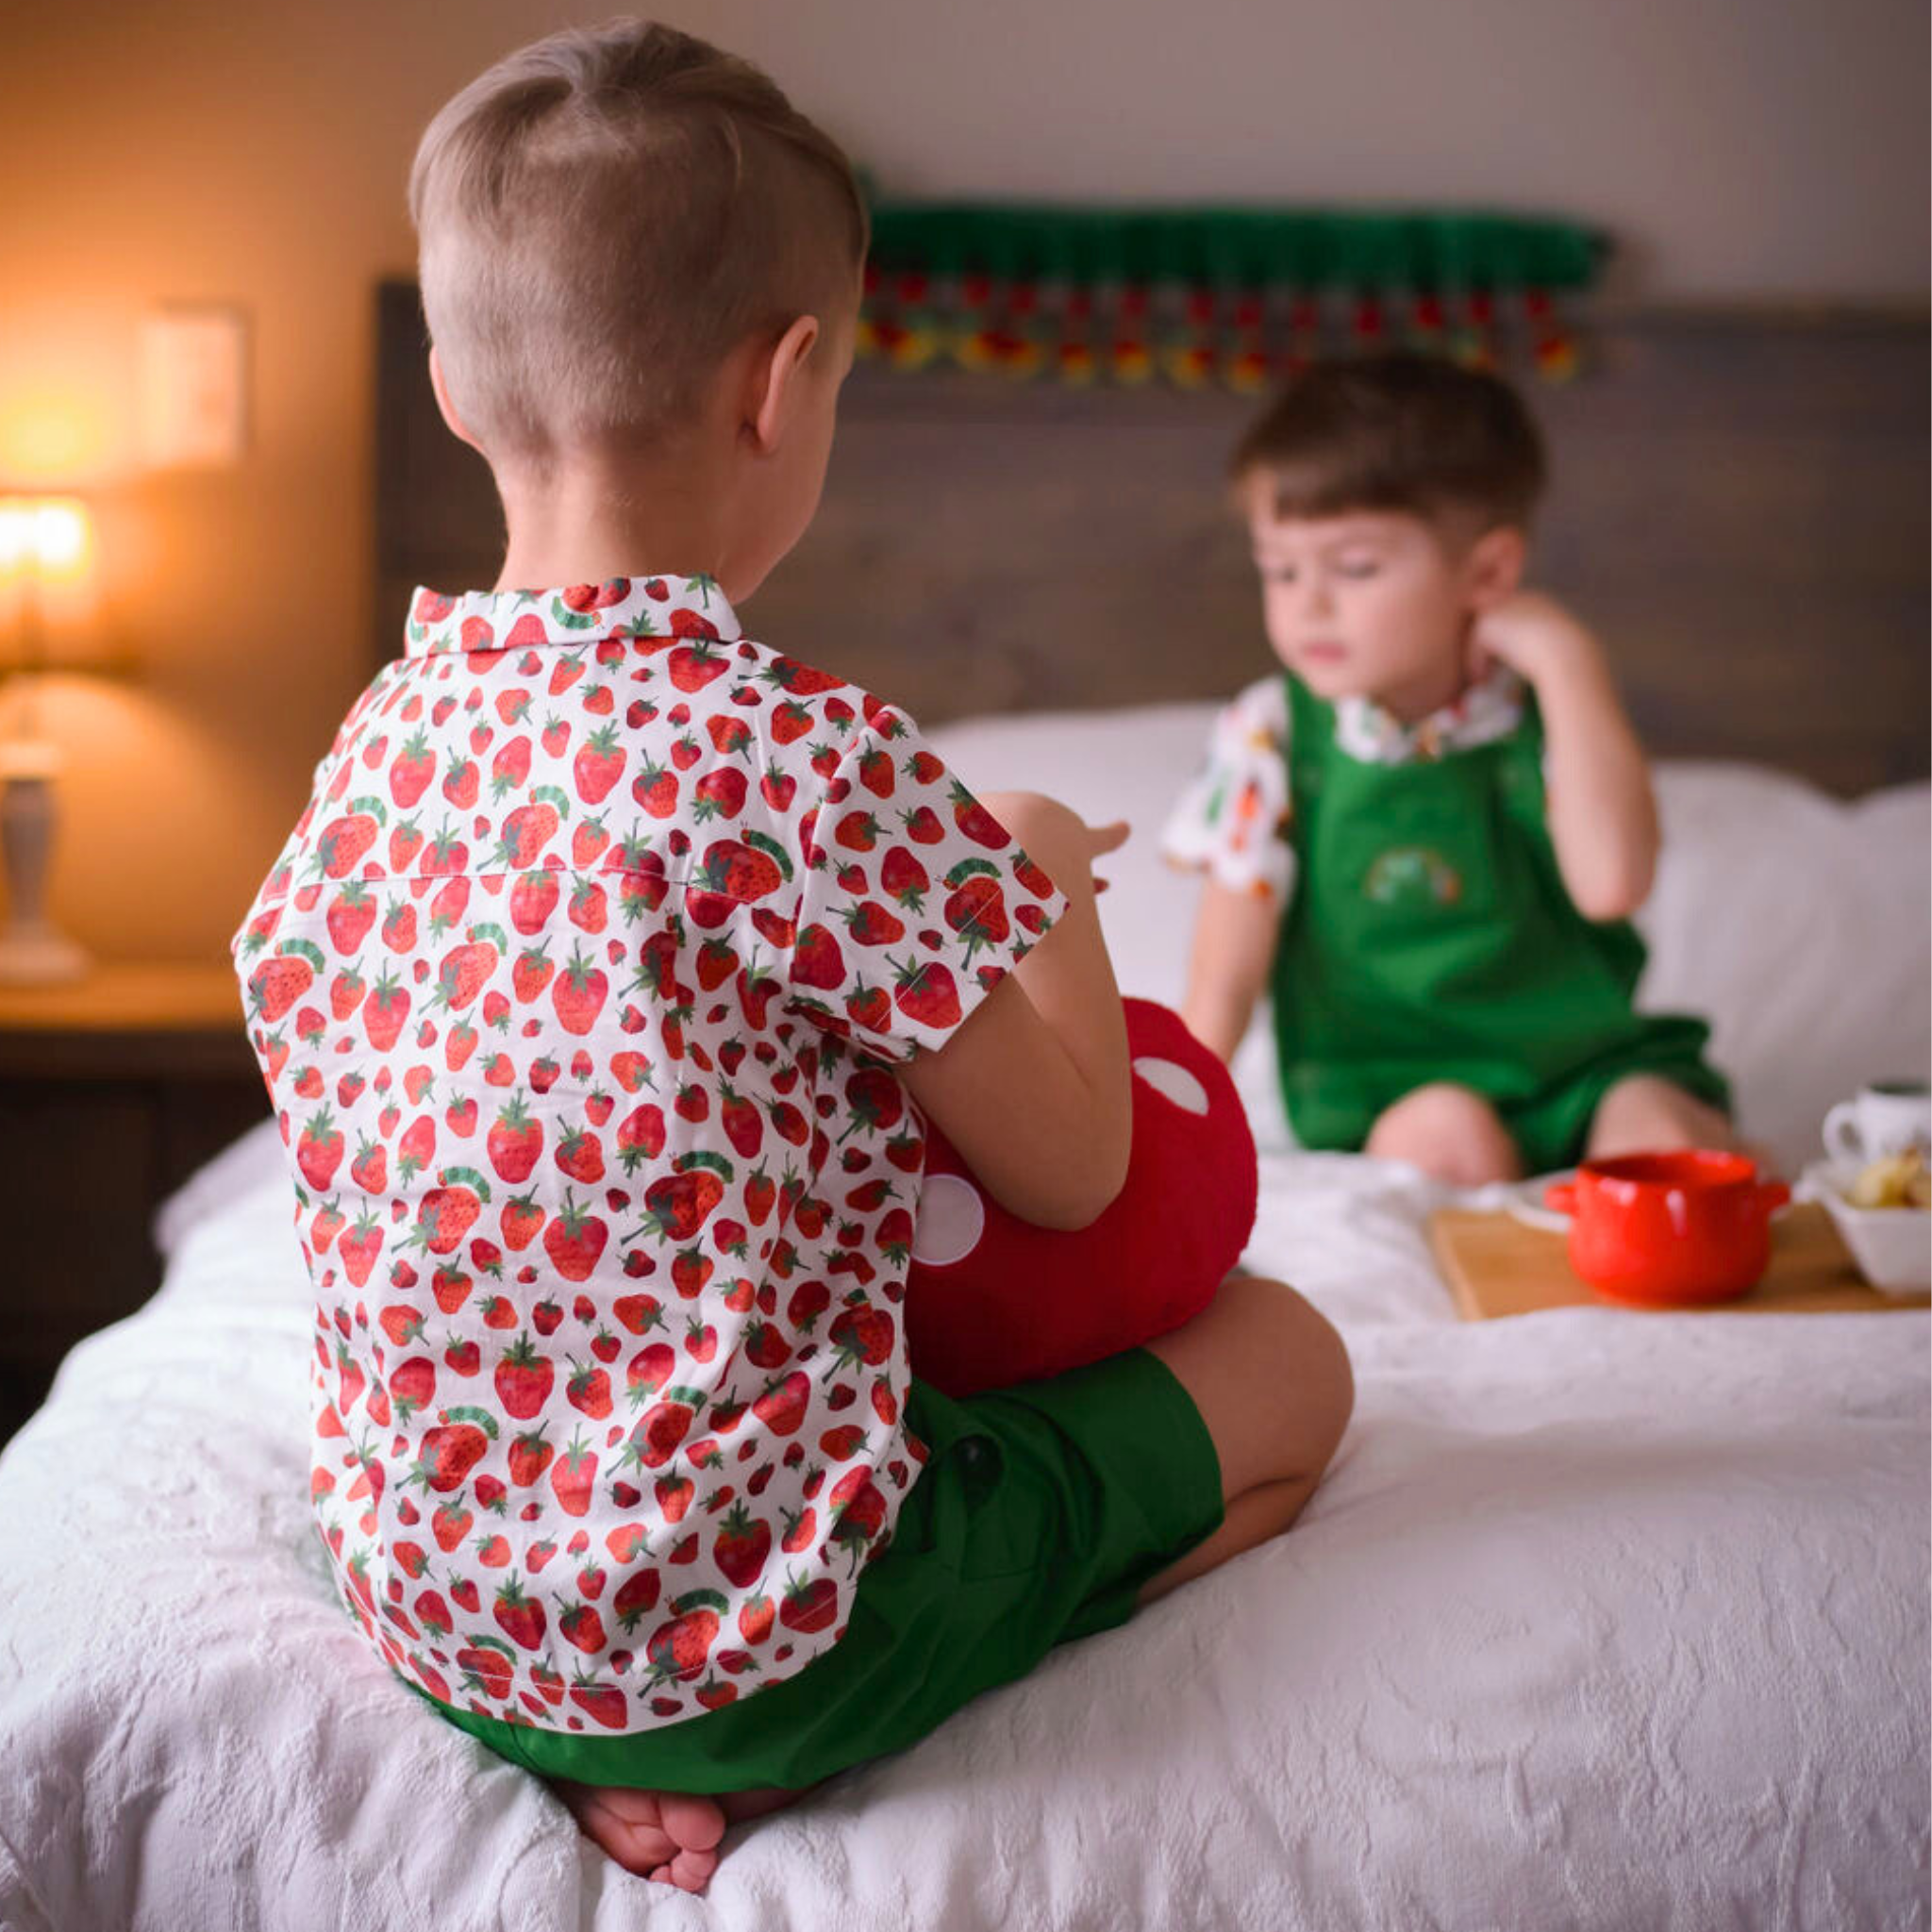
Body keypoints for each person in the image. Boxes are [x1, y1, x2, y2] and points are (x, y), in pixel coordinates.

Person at [233, 19, 1351, 1893]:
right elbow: (1073, 1168)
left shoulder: (370, 753)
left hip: (439, 1609)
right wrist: (1039, 879)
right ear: (784, 382)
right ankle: (818, 1718)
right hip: (756, 1635)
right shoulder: (811, 758)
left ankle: (616, 1735)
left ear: (453, 392)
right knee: (1290, 1362)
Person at [1165, 354, 1733, 1185]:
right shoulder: (1272, 735)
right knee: (1441, 1146)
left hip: (1580, 1067)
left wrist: (1568, 662)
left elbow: (1612, 886)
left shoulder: (1547, 718)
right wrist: (1171, 1126)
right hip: (1390, 1086)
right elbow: (1224, 979)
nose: (1307, 605)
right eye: (1280, 569)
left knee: (1660, 1143)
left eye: (1355, 568)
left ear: (1489, 572)